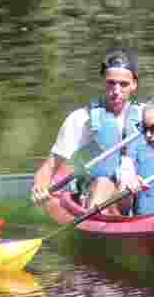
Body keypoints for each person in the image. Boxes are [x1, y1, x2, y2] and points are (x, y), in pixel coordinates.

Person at [31, 49, 144, 211]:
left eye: (123, 84)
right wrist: (40, 187)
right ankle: (95, 220)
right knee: (103, 183)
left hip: (134, 193)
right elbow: (50, 166)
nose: (116, 91)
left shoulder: (148, 117)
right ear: (104, 82)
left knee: (127, 185)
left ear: (134, 84)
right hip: (95, 193)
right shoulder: (80, 119)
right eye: (111, 83)